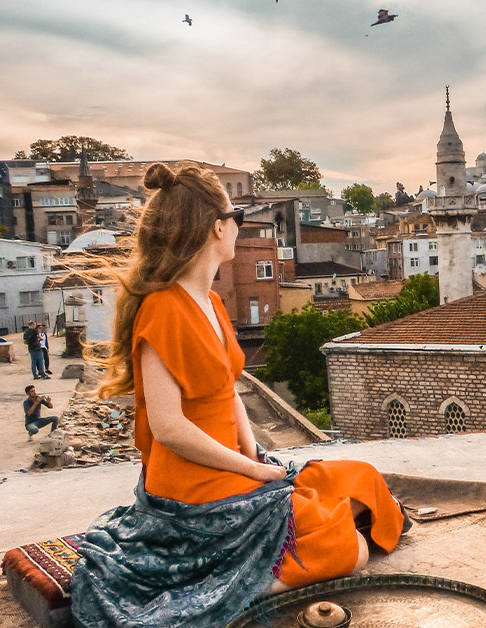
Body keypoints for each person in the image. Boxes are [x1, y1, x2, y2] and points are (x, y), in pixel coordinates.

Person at [71, 163, 406, 627]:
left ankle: (268, 545)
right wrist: (250, 471)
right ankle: (226, 591)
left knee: (362, 479)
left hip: (233, 466)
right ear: (217, 227)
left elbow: (228, 390)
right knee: (349, 549)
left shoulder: (208, 301)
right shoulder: (163, 309)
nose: (239, 229)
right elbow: (169, 428)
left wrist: (258, 459)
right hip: (193, 487)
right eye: (239, 219)